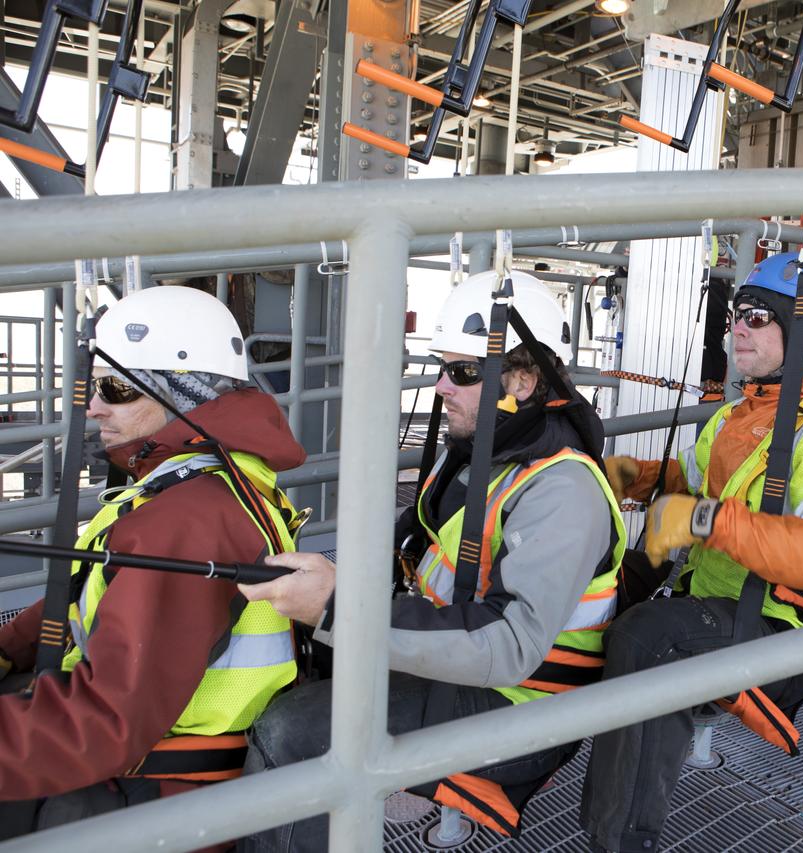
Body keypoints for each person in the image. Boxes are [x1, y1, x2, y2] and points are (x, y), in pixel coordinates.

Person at [239, 270, 625, 850]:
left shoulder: (562, 490)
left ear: (521, 380)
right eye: (443, 368)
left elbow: (510, 645)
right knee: (303, 663)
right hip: (459, 667)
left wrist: (345, 610)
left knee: (289, 732)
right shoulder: (483, 453)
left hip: (522, 704)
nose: (441, 386)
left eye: (463, 371)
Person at [579, 253, 803, 853]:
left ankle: (620, 842)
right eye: (735, 315)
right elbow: (689, 481)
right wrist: (627, 477)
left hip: (776, 627)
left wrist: (703, 520)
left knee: (646, 638)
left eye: (757, 317)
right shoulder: (738, 415)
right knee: (592, 589)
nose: (736, 328)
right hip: (707, 598)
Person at [0, 286, 304, 837]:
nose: (93, 407)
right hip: (139, 750)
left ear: (181, 395)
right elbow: (93, 584)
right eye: (94, 388)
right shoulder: (194, 480)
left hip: (151, 786)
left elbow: (109, 723)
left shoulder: (188, 518)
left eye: (115, 388)